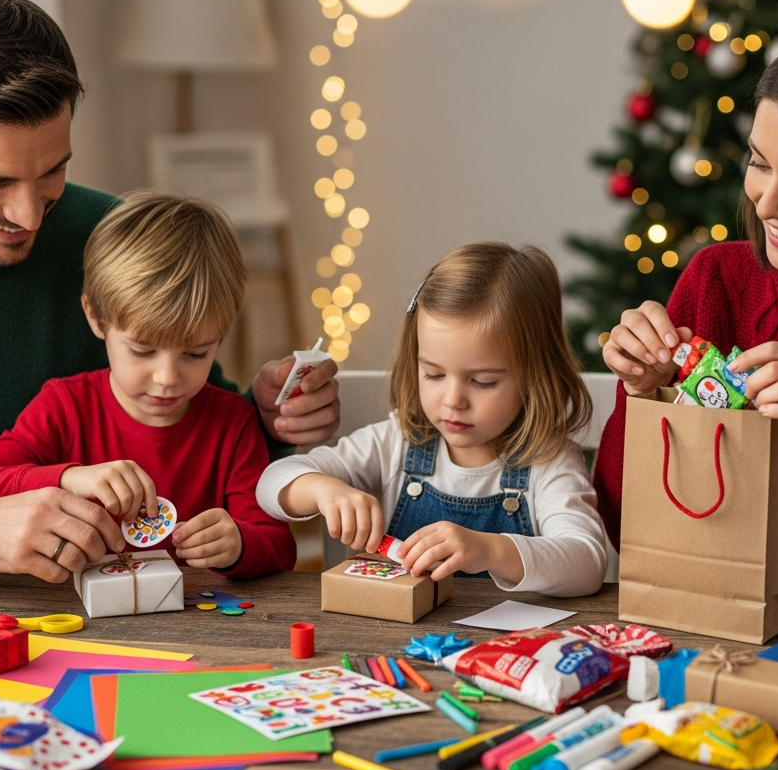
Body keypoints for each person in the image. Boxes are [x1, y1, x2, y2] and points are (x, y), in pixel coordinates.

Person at [0, 0, 338, 585]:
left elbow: (199, 435)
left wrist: (272, 420)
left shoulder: (107, 235)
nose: (30, 217)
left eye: (52, 172)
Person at [596, 18, 778, 591]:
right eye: (759, 164)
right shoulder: (718, 280)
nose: (767, 204)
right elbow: (621, 525)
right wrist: (643, 394)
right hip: (717, 639)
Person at [0, 191, 295, 578]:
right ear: (96, 318)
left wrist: (238, 545)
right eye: (142, 351)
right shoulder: (64, 406)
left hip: (197, 625)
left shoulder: (234, 422)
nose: (167, 378)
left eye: (196, 354)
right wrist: (69, 477)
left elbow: (279, 545)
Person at [257, 242, 609, 594]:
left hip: (508, 646)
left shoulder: (550, 461)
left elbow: (587, 562)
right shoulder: (395, 443)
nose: (453, 400)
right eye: (434, 375)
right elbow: (271, 482)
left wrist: (489, 550)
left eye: (483, 381)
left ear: (535, 375)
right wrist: (324, 491)